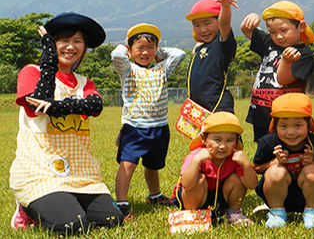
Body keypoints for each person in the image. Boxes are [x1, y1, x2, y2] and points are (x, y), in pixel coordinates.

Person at [9, 12, 123, 234]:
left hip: (80, 174)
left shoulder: (84, 82)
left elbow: (94, 106)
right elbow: (36, 106)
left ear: (84, 47)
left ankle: (66, 201)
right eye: (63, 41)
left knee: (111, 219)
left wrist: (60, 107)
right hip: (40, 171)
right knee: (72, 225)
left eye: (77, 41)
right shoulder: (31, 72)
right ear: (51, 43)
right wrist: (49, 59)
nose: (70, 47)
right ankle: (26, 208)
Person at [111, 23, 185, 220]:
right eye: (140, 48)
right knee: (128, 165)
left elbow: (179, 54)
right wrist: (125, 49)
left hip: (159, 127)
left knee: (154, 165)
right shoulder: (127, 69)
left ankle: (155, 195)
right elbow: (116, 56)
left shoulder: (162, 69)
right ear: (130, 50)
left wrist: (158, 51)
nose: (145, 52)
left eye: (150, 48)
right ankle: (122, 203)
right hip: (135, 128)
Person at [253, 93, 314, 228]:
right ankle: (276, 214)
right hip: (275, 195)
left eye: (297, 126)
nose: (291, 132)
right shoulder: (268, 142)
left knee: (313, 170)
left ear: (309, 124)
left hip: (308, 195)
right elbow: (256, 168)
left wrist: (313, 162)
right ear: (275, 125)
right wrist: (274, 162)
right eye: (284, 126)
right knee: (276, 172)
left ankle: (312, 212)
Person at [240, 1, 314, 142]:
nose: (278, 36)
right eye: (272, 32)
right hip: (261, 113)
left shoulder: (303, 54)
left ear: (300, 27)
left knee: (286, 151)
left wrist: (286, 61)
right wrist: (252, 17)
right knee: (264, 151)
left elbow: (283, 80)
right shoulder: (270, 43)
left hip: (287, 118)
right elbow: (246, 29)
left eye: (284, 30)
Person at [170, 112, 257, 226]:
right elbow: (187, 184)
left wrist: (246, 165)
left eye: (229, 140)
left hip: (218, 198)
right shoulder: (196, 156)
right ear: (204, 139)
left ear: (236, 142)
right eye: (217, 139)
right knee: (199, 178)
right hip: (192, 197)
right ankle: (192, 214)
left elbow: (252, 185)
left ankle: (234, 213)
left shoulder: (235, 157)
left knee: (237, 179)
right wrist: (196, 162)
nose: (222, 146)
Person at [185, 0, 238, 113]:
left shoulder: (222, 44)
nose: (203, 29)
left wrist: (225, 7)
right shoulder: (199, 48)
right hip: (198, 110)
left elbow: (224, 24)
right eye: (197, 25)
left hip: (218, 107)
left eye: (207, 23)